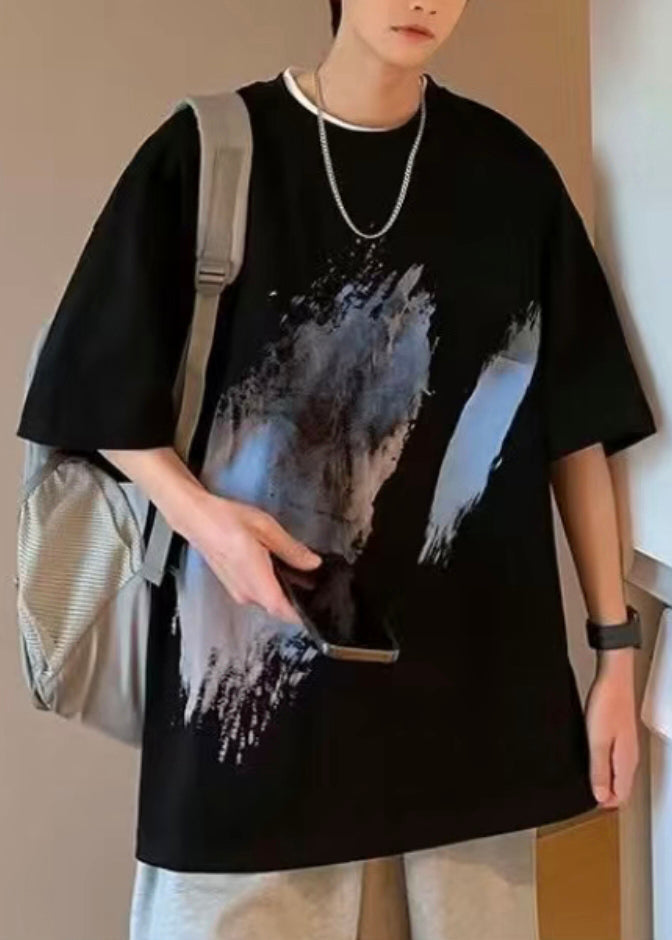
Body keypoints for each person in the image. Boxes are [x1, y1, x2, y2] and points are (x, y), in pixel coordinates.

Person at [16, 0, 658, 937]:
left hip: (468, 716)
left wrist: (614, 656)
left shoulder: (511, 176)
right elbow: (90, 390)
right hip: (250, 717)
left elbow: (577, 431)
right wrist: (208, 523)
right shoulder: (210, 152)